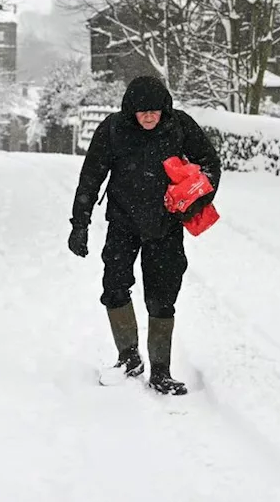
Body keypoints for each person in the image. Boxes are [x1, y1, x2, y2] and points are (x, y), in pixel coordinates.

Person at [67, 75, 221, 395]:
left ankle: (161, 371)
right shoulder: (113, 129)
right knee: (114, 286)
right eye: (142, 111)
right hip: (122, 223)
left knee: (162, 296)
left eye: (155, 111)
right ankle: (128, 357)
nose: (150, 116)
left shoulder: (179, 126)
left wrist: (196, 199)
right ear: (130, 111)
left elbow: (209, 163)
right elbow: (92, 176)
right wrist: (79, 223)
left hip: (166, 227)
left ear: (164, 109)